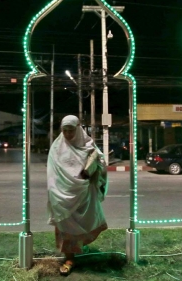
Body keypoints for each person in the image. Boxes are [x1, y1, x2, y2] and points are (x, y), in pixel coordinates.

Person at [47, 115, 108, 276]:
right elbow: (52, 173)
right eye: (64, 130)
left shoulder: (88, 145)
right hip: (62, 195)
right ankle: (69, 258)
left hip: (83, 194)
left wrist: (94, 163)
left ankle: (78, 249)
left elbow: (101, 163)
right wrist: (55, 191)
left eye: (71, 130)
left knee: (84, 222)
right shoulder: (57, 147)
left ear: (78, 129)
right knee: (66, 227)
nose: (67, 134)